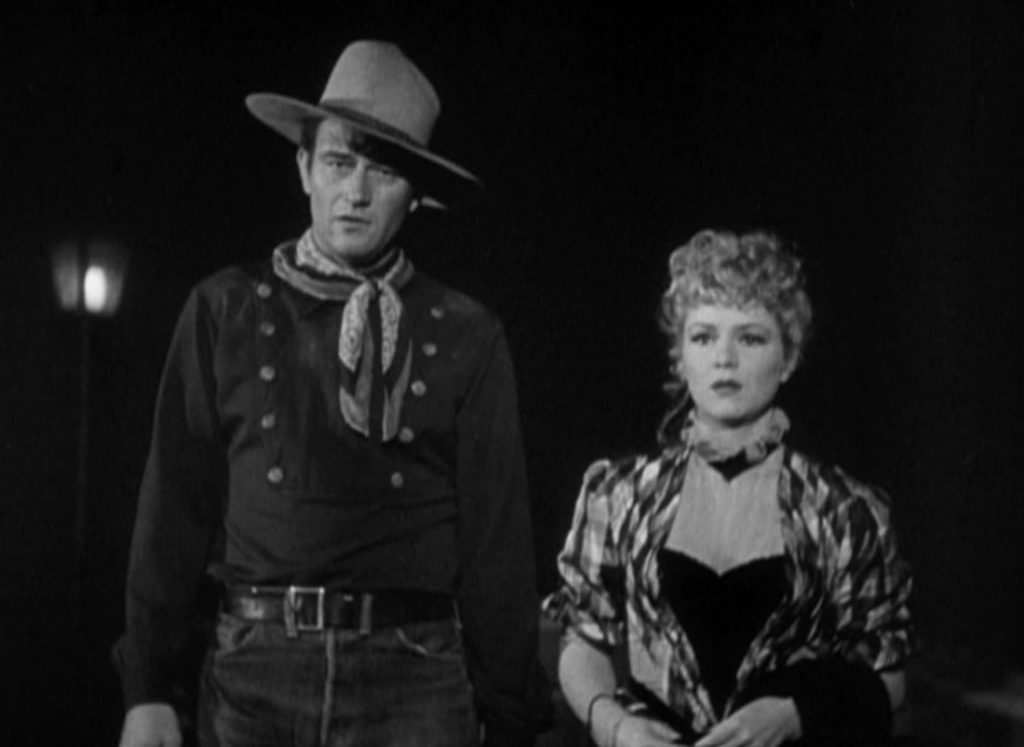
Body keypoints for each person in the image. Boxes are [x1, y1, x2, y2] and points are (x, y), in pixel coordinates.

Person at [116, 40, 549, 747]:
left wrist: (510, 718)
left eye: (384, 171)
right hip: (254, 673)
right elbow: (172, 509)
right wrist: (147, 689)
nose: (357, 192)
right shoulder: (225, 308)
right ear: (304, 170)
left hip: (415, 681)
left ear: (416, 193)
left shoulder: (465, 332)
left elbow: (498, 543)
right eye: (339, 163)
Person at [545, 228, 913, 747]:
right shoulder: (620, 494)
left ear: (788, 358)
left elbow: (889, 677)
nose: (724, 358)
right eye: (703, 337)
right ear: (680, 358)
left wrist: (793, 714)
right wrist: (615, 727)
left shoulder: (844, 509)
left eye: (750, 338)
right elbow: (583, 640)